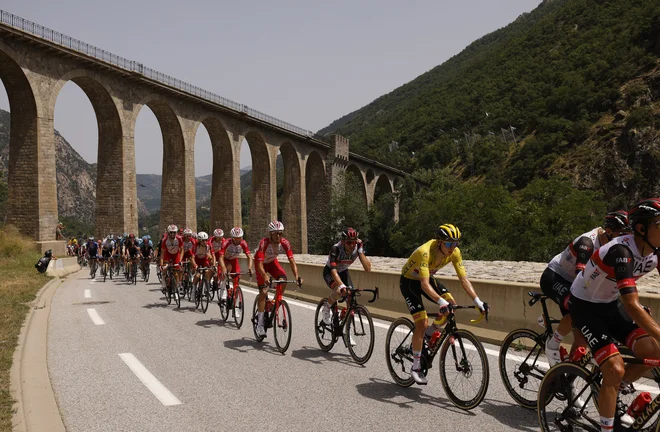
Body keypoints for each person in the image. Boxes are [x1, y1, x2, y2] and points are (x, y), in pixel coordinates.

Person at [568, 199, 660, 432]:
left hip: (608, 304)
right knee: (615, 369)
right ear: (641, 229)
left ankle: (611, 389)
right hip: (585, 307)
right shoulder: (621, 251)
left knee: (652, 351)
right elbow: (631, 304)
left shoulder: (655, 251)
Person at [400, 223, 488, 385]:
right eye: (449, 243)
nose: (452, 247)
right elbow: (424, 285)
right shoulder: (424, 252)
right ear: (439, 241)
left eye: (456, 243)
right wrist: (440, 302)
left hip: (426, 279)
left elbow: (464, 279)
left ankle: (429, 333)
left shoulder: (455, 253)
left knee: (452, 305)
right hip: (410, 282)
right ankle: (416, 367)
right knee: (422, 322)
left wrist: (478, 301)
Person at [543, 211, 632, 365]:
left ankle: (568, 376)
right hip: (556, 277)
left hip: (578, 282)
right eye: (622, 234)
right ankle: (552, 344)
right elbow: (580, 283)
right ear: (609, 231)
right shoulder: (587, 243)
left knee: (582, 340)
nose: (625, 239)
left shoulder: (616, 247)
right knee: (577, 305)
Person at [254, 220, 303, 337]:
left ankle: (275, 302)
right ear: (270, 234)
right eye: (276, 233)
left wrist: (297, 277)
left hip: (272, 262)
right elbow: (260, 265)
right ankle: (260, 324)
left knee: (283, 279)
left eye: (280, 233)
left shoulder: (285, 243)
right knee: (263, 291)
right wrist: (265, 276)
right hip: (260, 264)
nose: (278, 236)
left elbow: (292, 261)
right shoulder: (264, 243)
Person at [321, 227, 371, 325]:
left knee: (351, 296)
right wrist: (342, 286)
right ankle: (327, 307)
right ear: (343, 241)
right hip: (330, 271)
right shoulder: (336, 248)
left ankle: (345, 321)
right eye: (349, 242)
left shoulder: (357, 248)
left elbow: (368, 268)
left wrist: (360, 251)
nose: (352, 245)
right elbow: (333, 271)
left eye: (354, 242)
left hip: (343, 271)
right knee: (338, 291)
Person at [219, 227, 253, 300]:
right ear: (232, 238)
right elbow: (220, 257)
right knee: (227, 268)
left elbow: (249, 257)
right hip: (226, 260)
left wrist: (250, 267)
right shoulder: (226, 243)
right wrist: (223, 268)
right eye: (235, 238)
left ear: (242, 237)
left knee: (237, 280)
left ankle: (235, 302)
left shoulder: (243, 243)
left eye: (239, 238)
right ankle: (223, 287)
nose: (237, 240)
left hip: (234, 260)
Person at [159, 225, 184, 293]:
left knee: (177, 272)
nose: (173, 234)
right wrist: (161, 264)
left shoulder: (179, 239)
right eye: (171, 232)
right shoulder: (165, 240)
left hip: (176, 255)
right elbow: (162, 254)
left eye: (174, 232)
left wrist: (180, 261)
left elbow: (182, 250)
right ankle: (164, 285)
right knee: (164, 270)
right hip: (168, 255)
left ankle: (178, 285)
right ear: (168, 233)